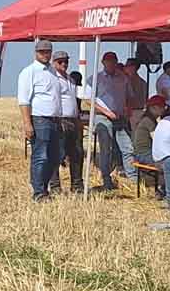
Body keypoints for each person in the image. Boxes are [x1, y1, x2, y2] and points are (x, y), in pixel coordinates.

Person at [15, 41, 61, 200]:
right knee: (41, 155)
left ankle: (43, 186)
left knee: (56, 156)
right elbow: (24, 100)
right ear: (36, 53)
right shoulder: (29, 72)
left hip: (55, 119)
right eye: (42, 52)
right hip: (40, 119)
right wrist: (27, 124)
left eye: (48, 51)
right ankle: (38, 191)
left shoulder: (52, 72)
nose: (45, 54)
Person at [88, 51, 137, 191]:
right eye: (108, 61)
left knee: (128, 147)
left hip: (120, 117)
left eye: (113, 61)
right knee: (106, 149)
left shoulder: (123, 78)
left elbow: (130, 96)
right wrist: (107, 112)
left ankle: (132, 179)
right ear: (103, 62)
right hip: (103, 117)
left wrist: (128, 109)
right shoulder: (95, 79)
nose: (111, 64)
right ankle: (106, 178)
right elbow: (90, 101)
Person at [56, 62, 85, 194]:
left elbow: (75, 103)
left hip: (73, 120)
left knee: (77, 153)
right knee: (57, 154)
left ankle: (77, 184)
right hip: (59, 120)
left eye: (66, 61)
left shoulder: (71, 81)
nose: (64, 64)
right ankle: (55, 186)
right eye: (60, 61)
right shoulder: (53, 79)